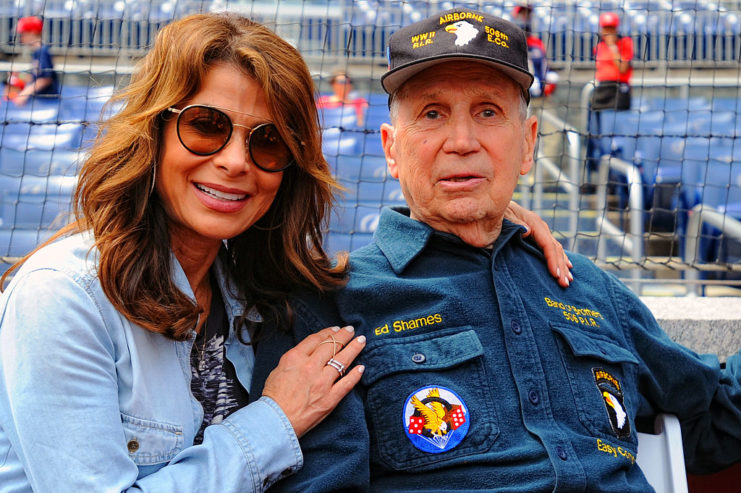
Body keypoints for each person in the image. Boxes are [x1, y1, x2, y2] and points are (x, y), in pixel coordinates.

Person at [262, 9, 741, 492]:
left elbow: (717, 415)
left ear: (528, 144)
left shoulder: (591, 289)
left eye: (488, 112)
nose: (462, 141)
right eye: (432, 113)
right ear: (390, 150)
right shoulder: (335, 303)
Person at [0, 13, 368, 492]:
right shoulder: (62, 297)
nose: (236, 162)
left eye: (269, 141)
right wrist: (275, 421)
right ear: (152, 133)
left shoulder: (259, 295)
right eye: (206, 126)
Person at [586, 12, 634, 179]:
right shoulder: (598, 47)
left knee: (611, 139)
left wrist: (613, 46)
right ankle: (600, 175)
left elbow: (622, 68)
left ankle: (613, 178)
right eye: (605, 28)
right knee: (596, 136)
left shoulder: (625, 43)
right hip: (601, 93)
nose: (608, 32)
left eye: (611, 28)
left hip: (618, 94)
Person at [512, 4, 558, 99]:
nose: (525, 17)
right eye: (522, 13)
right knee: (534, 86)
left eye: (527, 13)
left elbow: (544, 63)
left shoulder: (536, 42)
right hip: (523, 79)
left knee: (553, 77)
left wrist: (545, 80)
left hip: (538, 77)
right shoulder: (512, 41)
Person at [12, 16, 59, 106]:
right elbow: (35, 78)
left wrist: (24, 94)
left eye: (22, 34)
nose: (20, 39)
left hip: (47, 103)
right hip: (42, 102)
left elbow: (46, 79)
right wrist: (19, 75)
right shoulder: (37, 52)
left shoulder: (42, 52)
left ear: (32, 32)